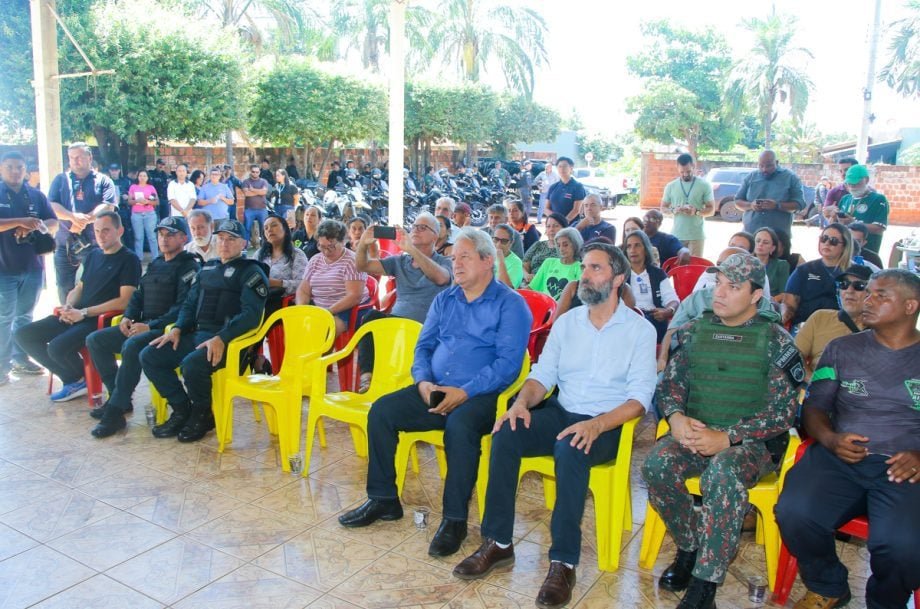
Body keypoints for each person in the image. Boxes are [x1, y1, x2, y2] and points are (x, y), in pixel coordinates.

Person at [453, 241, 657, 609]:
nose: (584, 275)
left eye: (595, 268)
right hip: (564, 413)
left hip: (606, 424)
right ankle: (498, 542)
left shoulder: (639, 331)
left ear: (618, 279)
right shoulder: (568, 323)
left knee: (571, 447)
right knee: (506, 432)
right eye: (583, 267)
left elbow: (640, 399)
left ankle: (563, 562)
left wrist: (597, 425)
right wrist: (520, 404)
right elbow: (542, 376)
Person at [337, 228, 531, 559]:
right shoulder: (446, 299)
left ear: (487, 261)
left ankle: (454, 520)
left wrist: (465, 392)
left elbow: (508, 366)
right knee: (382, 412)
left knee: (460, 427)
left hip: (483, 396)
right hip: (435, 389)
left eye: (465, 257)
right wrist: (423, 383)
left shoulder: (511, 305)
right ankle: (384, 499)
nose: (456, 264)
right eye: (454, 258)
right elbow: (423, 347)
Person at [642, 253, 801, 609]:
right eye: (719, 284)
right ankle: (690, 545)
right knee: (656, 467)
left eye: (734, 287)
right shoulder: (696, 332)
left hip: (751, 445)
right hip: (696, 432)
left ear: (756, 295)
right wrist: (676, 417)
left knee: (722, 475)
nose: (720, 293)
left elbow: (784, 414)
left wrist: (727, 437)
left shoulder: (776, 342)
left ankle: (705, 585)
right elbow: (669, 386)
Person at [775, 269, 920, 609]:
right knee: (794, 512)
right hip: (840, 458)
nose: (866, 301)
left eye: (880, 296)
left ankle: (886, 602)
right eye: (867, 293)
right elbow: (814, 406)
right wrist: (829, 438)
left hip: (904, 468)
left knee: (903, 546)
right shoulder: (841, 349)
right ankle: (828, 584)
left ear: (911, 305)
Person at [140, 219, 268, 442]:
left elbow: (251, 315)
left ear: (244, 243)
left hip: (230, 343)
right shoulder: (208, 268)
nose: (224, 244)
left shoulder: (252, 272)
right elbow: (189, 304)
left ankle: (202, 413)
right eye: (221, 239)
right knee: (150, 356)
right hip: (198, 335)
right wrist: (178, 328)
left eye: (231, 239)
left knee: (192, 364)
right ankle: (182, 409)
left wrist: (223, 337)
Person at [85, 216, 200, 437]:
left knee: (132, 345)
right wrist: (128, 316)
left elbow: (184, 307)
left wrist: (150, 326)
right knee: (95, 340)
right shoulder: (156, 263)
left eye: (170, 235)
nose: (164, 240)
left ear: (184, 238)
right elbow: (138, 295)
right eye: (161, 235)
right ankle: (118, 398)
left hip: (166, 330)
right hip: (142, 325)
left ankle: (115, 412)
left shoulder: (189, 266)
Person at [15, 212, 140, 402]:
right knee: (23, 335)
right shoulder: (93, 255)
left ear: (120, 231)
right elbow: (79, 288)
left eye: (106, 230)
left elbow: (125, 300)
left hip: (99, 320)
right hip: (77, 314)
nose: (100, 235)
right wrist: (68, 306)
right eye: (97, 231)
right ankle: (75, 379)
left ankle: (82, 380)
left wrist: (83, 313)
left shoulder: (128, 259)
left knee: (57, 347)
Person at [355, 212, 452, 390]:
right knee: (370, 318)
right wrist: (362, 244)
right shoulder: (400, 261)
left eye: (423, 228)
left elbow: (441, 279)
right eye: (414, 226)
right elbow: (363, 265)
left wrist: (411, 250)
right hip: (396, 323)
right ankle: (367, 376)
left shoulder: (443, 262)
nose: (415, 230)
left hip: (424, 328)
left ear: (435, 236)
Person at [0, 151, 58, 384]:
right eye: (10, 167)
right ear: (2, 169)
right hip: (4, 269)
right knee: (4, 317)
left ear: (26, 171)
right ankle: (2, 365)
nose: (15, 171)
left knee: (25, 316)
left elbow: (53, 223)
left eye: (20, 168)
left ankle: (20, 358)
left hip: (33, 268)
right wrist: (19, 222)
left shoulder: (35, 195)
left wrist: (36, 226)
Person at [47, 142, 117, 303]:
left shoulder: (103, 180)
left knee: (97, 283)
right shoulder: (60, 180)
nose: (75, 161)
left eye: (79, 157)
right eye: (72, 158)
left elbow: (109, 206)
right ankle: (66, 317)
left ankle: (89, 318)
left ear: (90, 157)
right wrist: (72, 217)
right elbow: (52, 205)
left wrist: (86, 220)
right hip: (64, 243)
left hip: (95, 244)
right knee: (64, 285)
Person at [794, 264, 870, 381]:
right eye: (844, 285)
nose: (849, 291)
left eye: (859, 286)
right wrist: (815, 382)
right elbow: (794, 357)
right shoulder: (820, 317)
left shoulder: (881, 329)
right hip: (817, 393)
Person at [295, 219, 369, 336]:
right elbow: (303, 290)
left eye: (330, 247)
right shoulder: (315, 260)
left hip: (348, 309)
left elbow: (354, 296)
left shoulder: (352, 261)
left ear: (343, 242)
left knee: (321, 332)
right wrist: (302, 309)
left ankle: (321, 354)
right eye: (321, 246)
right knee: (294, 327)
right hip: (319, 307)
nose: (325, 251)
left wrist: (327, 312)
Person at [782, 224, 855, 327]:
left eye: (833, 241)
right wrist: (782, 317)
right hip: (805, 325)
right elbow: (789, 304)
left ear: (844, 245)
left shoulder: (854, 274)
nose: (827, 243)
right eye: (823, 238)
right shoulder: (804, 270)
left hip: (840, 327)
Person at [734, 150, 806, 236]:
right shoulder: (751, 177)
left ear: (776, 162)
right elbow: (737, 201)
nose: (764, 169)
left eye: (769, 166)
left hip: (778, 236)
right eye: (761, 166)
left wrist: (777, 206)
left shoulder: (790, 177)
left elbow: (800, 204)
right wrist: (751, 205)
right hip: (751, 233)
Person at [625, 229, 679, 343]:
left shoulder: (658, 274)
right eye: (629, 246)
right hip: (628, 321)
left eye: (637, 245)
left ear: (645, 249)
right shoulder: (620, 275)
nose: (632, 250)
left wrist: (668, 311)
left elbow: (673, 300)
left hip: (652, 320)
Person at [661, 154, 714, 256]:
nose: (685, 174)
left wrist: (696, 212)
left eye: (688, 171)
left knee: (695, 268)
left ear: (693, 166)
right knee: (677, 269)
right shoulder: (670, 186)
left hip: (697, 236)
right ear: (677, 168)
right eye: (682, 172)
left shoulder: (704, 185)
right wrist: (673, 211)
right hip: (677, 236)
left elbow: (711, 210)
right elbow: (663, 208)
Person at [829, 164, 888, 255]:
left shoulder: (878, 199)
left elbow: (879, 228)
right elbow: (834, 227)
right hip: (843, 252)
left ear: (866, 180)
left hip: (867, 251)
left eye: (857, 183)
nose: (853, 187)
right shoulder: (846, 199)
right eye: (850, 184)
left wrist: (853, 223)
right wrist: (832, 217)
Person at [528, 227, 583, 300]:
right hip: (545, 306)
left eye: (565, 245)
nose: (561, 249)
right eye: (558, 245)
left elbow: (578, 298)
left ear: (575, 245)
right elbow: (532, 288)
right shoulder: (548, 262)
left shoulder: (579, 267)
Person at [523, 212, 567, 280]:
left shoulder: (569, 249)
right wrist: (527, 275)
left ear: (564, 228)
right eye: (548, 226)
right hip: (532, 282)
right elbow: (524, 265)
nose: (551, 229)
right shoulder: (538, 245)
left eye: (556, 226)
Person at [127, 169, 160, 261]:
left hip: (149, 214)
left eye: (144, 176)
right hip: (137, 214)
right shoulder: (133, 187)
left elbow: (157, 202)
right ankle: (139, 258)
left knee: (152, 237)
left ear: (147, 177)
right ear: (137, 177)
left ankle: (155, 258)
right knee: (138, 237)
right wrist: (137, 201)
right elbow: (129, 201)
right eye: (140, 175)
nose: (142, 177)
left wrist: (148, 201)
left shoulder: (151, 187)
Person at [545, 157, 585, 226]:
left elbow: (576, 210)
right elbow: (546, 208)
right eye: (559, 166)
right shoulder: (553, 187)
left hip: (571, 226)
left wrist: (564, 222)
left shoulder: (578, 186)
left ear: (571, 168)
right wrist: (555, 220)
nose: (562, 169)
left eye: (565, 166)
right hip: (554, 226)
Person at [753, 227, 789, 303]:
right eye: (758, 241)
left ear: (772, 248)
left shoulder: (781, 265)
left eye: (765, 242)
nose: (760, 244)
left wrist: (769, 301)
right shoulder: (745, 264)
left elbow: (784, 293)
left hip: (771, 305)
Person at [241, 164, 270, 245]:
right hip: (249, 209)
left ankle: (265, 245)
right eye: (253, 172)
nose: (255, 173)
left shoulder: (264, 181)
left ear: (259, 172)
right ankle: (245, 246)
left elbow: (264, 192)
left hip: (262, 209)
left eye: (257, 172)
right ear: (250, 172)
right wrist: (259, 192)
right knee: (246, 228)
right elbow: (246, 193)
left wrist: (253, 189)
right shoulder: (246, 182)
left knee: (265, 228)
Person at [493, 224, 524, 289]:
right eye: (496, 239)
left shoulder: (516, 262)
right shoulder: (486, 255)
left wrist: (501, 260)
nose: (498, 244)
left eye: (504, 241)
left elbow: (507, 290)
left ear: (511, 243)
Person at [534, 161, 558, 225]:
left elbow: (558, 183)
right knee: (541, 206)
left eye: (548, 167)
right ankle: (539, 220)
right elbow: (535, 180)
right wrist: (539, 187)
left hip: (552, 193)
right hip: (544, 192)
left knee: (551, 207)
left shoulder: (555, 174)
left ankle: (551, 221)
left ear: (551, 168)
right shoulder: (542, 174)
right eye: (545, 167)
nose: (546, 168)